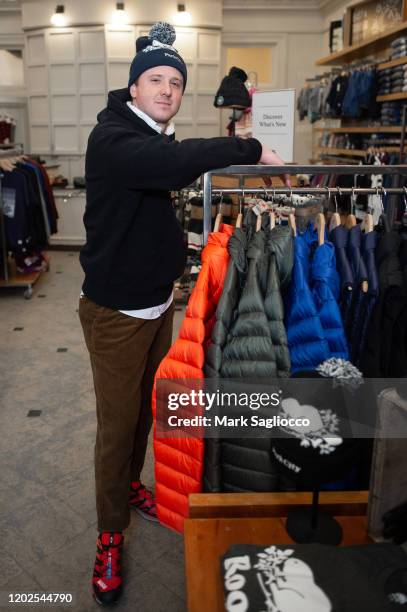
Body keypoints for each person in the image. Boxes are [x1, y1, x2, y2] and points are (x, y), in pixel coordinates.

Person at [78, 21, 289, 606]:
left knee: (146, 411)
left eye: (175, 82)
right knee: (116, 428)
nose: (168, 90)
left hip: (154, 303)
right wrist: (248, 148)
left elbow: (145, 213)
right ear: (134, 88)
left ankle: (129, 485)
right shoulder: (113, 137)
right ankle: (108, 534)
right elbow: (168, 169)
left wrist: (184, 246)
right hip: (115, 312)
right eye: (156, 80)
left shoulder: (151, 137)